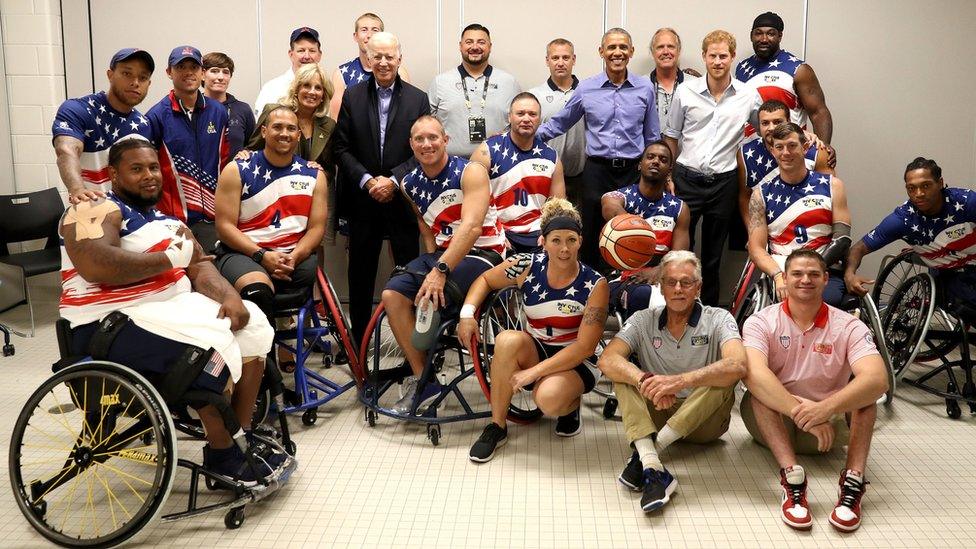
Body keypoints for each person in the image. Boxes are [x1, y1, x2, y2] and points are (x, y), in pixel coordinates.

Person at [59, 138, 277, 483]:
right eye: (136, 169)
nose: (149, 176)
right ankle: (225, 453)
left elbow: (200, 267)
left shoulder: (168, 220)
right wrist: (169, 258)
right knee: (207, 357)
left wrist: (228, 296)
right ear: (113, 174)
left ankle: (240, 437)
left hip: (167, 313)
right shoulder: (93, 208)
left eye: (153, 167)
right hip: (110, 322)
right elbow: (95, 264)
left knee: (253, 330)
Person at [742, 249, 887, 532]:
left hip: (826, 430)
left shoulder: (849, 326)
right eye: (797, 274)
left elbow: (877, 379)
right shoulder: (761, 322)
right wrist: (803, 412)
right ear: (784, 279)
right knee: (758, 392)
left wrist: (824, 409)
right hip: (777, 422)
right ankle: (792, 478)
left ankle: (853, 482)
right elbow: (755, 375)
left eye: (813, 274)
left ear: (825, 280)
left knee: (866, 398)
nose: (805, 280)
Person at [462, 199, 608, 461]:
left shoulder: (595, 284)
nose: (564, 249)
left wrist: (533, 373)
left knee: (548, 399)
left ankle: (570, 406)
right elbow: (485, 279)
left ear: (580, 242)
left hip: (577, 359)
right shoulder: (526, 265)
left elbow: (584, 347)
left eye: (571, 240)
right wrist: (466, 314)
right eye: (556, 240)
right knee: (506, 340)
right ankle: (497, 426)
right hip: (539, 347)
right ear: (543, 241)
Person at [598, 250, 745, 512]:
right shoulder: (644, 319)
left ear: (698, 287)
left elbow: (738, 364)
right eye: (671, 282)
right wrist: (645, 380)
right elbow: (607, 360)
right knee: (623, 374)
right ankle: (653, 467)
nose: (678, 289)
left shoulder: (719, 318)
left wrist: (678, 382)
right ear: (660, 286)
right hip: (658, 412)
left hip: (705, 421)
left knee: (725, 376)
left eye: (686, 282)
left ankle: (648, 451)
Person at [381, 115, 505, 414]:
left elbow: (472, 227)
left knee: (432, 295)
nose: (427, 144)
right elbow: (427, 230)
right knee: (391, 295)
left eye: (433, 137)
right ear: (411, 144)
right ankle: (423, 378)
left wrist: (438, 271)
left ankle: (426, 368)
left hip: (484, 253)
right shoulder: (409, 183)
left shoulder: (470, 172)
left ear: (445, 140)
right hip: (444, 254)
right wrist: (430, 265)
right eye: (419, 139)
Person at [333, 31, 430, 343]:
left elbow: (424, 150)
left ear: (400, 58)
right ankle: (360, 343)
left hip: (402, 199)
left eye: (390, 56)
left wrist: (393, 180)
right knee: (360, 278)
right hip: (363, 200)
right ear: (368, 59)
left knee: (410, 275)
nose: (384, 62)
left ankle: (413, 344)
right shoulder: (353, 95)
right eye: (378, 56)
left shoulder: (418, 98)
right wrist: (367, 180)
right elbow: (341, 148)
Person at [538, 28, 660, 271]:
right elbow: (560, 122)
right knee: (593, 234)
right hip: (596, 171)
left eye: (623, 47)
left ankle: (627, 292)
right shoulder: (587, 88)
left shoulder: (645, 88)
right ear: (601, 52)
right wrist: (521, 136)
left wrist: (661, 176)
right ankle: (594, 287)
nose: (617, 52)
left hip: (632, 173)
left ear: (631, 52)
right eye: (612, 47)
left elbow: (652, 136)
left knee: (631, 233)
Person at [663, 30, 761, 305]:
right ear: (704, 57)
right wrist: (669, 175)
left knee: (714, 255)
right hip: (686, 180)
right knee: (682, 251)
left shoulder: (748, 95)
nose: (718, 61)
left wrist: (807, 137)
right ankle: (676, 307)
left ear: (732, 57)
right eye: (712, 56)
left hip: (724, 182)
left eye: (723, 56)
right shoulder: (686, 91)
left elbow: (768, 129)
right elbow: (671, 135)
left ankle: (706, 313)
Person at [213, 106, 327, 341]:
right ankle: (268, 370)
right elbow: (224, 226)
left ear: (298, 135)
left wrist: (294, 256)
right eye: (277, 127)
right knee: (258, 291)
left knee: (296, 276)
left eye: (291, 128)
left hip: (294, 258)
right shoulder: (237, 170)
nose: (284, 133)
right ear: (264, 131)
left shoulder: (314, 175)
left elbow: (317, 228)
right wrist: (261, 256)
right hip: (244, 254)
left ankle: (267, 363)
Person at [845, 157, 976, 308]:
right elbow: (858, 248)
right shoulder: (903, 219)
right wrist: (850, 275)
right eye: (911, 188)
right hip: (947, 276)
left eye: (926, 185)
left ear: (940, 183)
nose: (919, 194)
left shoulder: (967, 202)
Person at [746, 123, 851, 306]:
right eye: (779, 147)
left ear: (804, 147)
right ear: (772, 151)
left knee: (827, 301)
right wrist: (778, 276)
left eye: (792, 145)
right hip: (782, 272)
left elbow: (842, 238)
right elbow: (756, 248)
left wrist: (811, 271)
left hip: (823, 268)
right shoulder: (760, 195)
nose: (786, 152)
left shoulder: (833, 185)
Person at [145, 45, 230, 251]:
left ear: (202, 72)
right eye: (181, 66)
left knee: (216, 272)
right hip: (174, 219)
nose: (188, 72)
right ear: (169, 72)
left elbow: (225, 160)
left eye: (194, 66)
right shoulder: (156, 116)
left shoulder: (218, 111)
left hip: (214, 215)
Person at [52, 48, 154, 204]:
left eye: (143, 77)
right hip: (90, 214)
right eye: (127, 74)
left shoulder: (143, 125)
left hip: (130, 218)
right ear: (110, 75)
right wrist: (77, 189)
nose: (135, 83)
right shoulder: (78, 110)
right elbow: (66, 151)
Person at [602, 141, 690, 318]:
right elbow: (608, 203)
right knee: (646, 296)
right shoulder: (622, 197)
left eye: (663, 159)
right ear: (639, 164)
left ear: (669, 171)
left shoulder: (679, 208)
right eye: (650, 157)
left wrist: (658, 271)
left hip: (663, 275)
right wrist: (634, 228)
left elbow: (679, 256)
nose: (656, 161)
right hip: (624, 277)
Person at [470, 92, 566, 253]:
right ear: (510, 117)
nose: (526, 119)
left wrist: (550, 233)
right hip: (497, 232)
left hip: (538, 235)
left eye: (532, 114)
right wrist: (493, 232)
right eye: (520, 113)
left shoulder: (551, 157)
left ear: (539, 119)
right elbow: (470, 202)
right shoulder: (486, 151)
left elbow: (559, 207)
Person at [736, 11, 833, 144]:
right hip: (752, 155)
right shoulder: (742, 68)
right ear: (751, 36)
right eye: (758, 33)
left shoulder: (798, 70)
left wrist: (823, 150)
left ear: (780, 36)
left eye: (770, 33)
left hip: (789, 151)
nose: (764, 39)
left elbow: (818, 112)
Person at [428, 23, 521, 158]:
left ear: (490, 47)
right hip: (451, 167)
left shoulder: (509, 83)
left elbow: (519, 121)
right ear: (460, 46)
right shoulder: (440, 82)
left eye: (481, 42)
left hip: (499, 163)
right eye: (469, 42)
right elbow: (428, 124)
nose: (475, 47)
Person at [736, 99, 830, 225]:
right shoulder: (746, 154)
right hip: (767, 228)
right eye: (765, 123)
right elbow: (745, 197)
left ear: (789, 122)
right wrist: (753, 233)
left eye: (777, 122)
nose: (771, 128)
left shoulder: (816, 150)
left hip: (810, 225)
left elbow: (830, 196)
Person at [527, 39, 585, 205]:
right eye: (555, 58)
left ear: (574, 59)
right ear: (547, 60)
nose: (560, 63)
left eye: (565, 58)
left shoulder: (587, 93)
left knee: (579, 227)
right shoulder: (535, 95)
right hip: (545, 175)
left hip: (581, 177)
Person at [329, 12, 412, 117]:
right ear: (355, 36)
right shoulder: (341, 74)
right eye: (364, 30)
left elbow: (407, 112)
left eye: (375, 30)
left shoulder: (399, 72)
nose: (369, 35)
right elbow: (336, 119)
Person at [254, 26, 322, 117]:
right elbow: (261, 127)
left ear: (319, 55)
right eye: (301, 50)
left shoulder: (326, 90)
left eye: (312, 51)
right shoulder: (271, 89)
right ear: (291, 54)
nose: (306, 56)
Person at [202, 52, 255, 159]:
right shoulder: (194, 107)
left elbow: (253, 146)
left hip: (234, 173)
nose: (221, 77)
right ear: (202, 75)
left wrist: (247, 153)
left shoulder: (243, 109)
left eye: (226, 72)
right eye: (214, 71)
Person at [648, 28, 701, 125]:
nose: (665, 51)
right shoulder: (641, 85)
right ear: (652, 52)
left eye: (671, 46)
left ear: (679, 51)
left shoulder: (696, 85)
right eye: (660, 47)